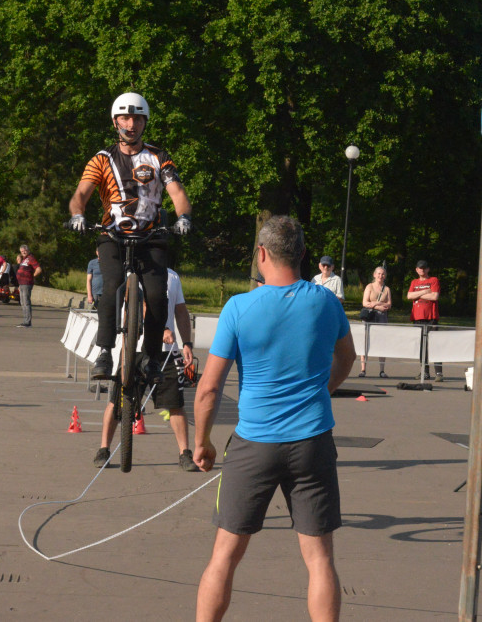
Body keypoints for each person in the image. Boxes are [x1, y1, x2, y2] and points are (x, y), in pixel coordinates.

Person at [192, 216, 355, 622]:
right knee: (319, 559)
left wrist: (203, 442)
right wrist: (322, 391)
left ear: (261, 254)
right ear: (302, 254)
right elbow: (347, 358)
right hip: (312, 441)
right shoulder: (326, 302)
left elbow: (209, 389)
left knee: (224, 555)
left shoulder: (239, 307)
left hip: (254, 444)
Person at [67, 92, 193, 385]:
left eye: (137, 118)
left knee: (157, 296)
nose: (131, 124)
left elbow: (178, 194)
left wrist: (183, 218)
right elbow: (80, 195)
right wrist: (77, 216)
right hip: (112, 235)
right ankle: (104, 352)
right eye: (125, 117)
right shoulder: (102, 159)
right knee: (110, 287)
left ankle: (150, 358)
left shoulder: (159, 157)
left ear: (144, 122)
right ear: (115, 122)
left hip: (152, 235)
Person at [93, 267, 198, 471]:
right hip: (136, 347)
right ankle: (104, 449)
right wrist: (161, 330)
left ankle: (185, 453)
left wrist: (187, 343)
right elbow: (139, 305)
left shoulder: (172, 276)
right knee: (117, 401)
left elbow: (181, 311)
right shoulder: (133, 273)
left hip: (165, 351)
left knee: (175, 403)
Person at [407, 259, 443, 382]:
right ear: (416, 270)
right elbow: (409, 296)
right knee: (421, 347)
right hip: (417, 318)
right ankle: (425, 372)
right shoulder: (414, 282)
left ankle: (439, 373)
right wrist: (423, 292)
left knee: (434, 345)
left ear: (427, 269)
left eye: (424, 268)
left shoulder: (433, 280)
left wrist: (417, 294)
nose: (422, 270)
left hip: (431, 318)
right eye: (419, 268)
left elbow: (434, 296)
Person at [359, 266, 392, 378]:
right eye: (378, 273)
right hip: (369, 317)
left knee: (382, 343)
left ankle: (382, 370)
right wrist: (378, 307)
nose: (380, 276)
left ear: (385, 276)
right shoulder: (369, 286)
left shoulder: (387, 289)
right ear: (374, 275)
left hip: (382, 318)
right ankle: (363, 369)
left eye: (382, 274)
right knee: (365, 342)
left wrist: (375, 304)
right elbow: (365, 302)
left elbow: (389, 304)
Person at [14, 244, 42, 328]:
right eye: (22, 251)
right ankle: (25, 320)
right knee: (22, 302)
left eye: (24, 251)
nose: (23, 252)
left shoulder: (31, 258)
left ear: (28, 250)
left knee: (26, 302)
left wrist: (31, 276)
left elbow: (38, 269)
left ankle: (28, 322)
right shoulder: (24, 259)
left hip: (27, 283)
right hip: (22, 284)